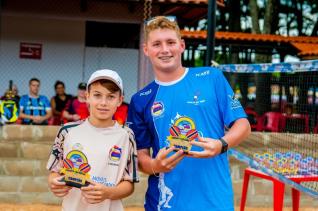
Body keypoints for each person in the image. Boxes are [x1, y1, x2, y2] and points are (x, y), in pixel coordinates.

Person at [127, 16, 251, 211]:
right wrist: (155, 165)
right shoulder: (141, 99)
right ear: (146, 50)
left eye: (170, 42)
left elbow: (243, 125)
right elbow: (140, 156)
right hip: (164, 203)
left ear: (182, 45)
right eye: (157, 44)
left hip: (214, 201)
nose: (165, 49)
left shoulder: (212, 77)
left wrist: (221, 144)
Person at [46, 69, 139, 211]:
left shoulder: (126, 135)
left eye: (111, 96)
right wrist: (54, 183)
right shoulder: (67, 131)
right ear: (87, 96)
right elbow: (55, 171)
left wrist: (109, 192)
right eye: (97, 95)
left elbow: (129, 183)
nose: (103, 102)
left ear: (120, 100)